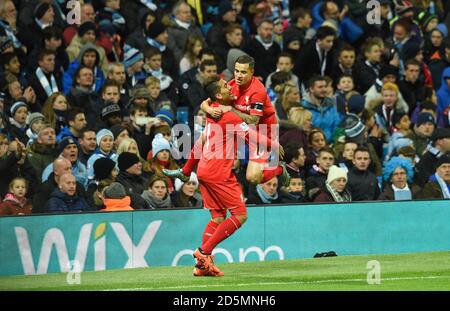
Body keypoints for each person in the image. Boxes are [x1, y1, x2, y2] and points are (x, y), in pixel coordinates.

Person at [187, 77, 280, 277]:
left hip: (204, 169)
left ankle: (202, 267)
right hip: (218, 172)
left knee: (218, 217)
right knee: (240, 215)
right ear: (219, 95)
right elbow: (251, 136)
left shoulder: (213, 107)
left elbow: (206, 101)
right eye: (224, 86)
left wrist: (207, 106)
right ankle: (203, 253)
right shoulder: (228, 117)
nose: (230, 86)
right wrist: (276, 145)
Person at [166, 55, 288, 188]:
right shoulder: (232, 84)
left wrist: (230, 109)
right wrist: (209, 109)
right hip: (241, 126)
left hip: (262, 132)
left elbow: (254, 120)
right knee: (205, 135)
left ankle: (280, 169)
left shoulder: (257, 92)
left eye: (243, 72)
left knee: (253, 178)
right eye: (236, 71)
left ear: (252, 72)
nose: (238, 75)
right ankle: (186, 171)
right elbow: (206, 102)